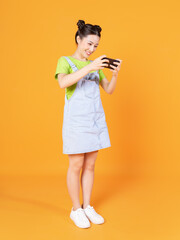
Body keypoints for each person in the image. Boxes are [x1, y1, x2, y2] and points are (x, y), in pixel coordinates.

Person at [54, 20, 122, 229]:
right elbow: (63, 83)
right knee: (76, 166)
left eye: (96, 46)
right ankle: (76, 209)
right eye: (89, 44)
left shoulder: (97, 66)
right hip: (76, 124)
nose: (92, 49)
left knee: (90, 165)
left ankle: (87, 205)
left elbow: (108, 90)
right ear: (79, 39)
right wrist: (90, 66)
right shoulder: (65, 61)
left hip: (94, 121)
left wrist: (115, 74)